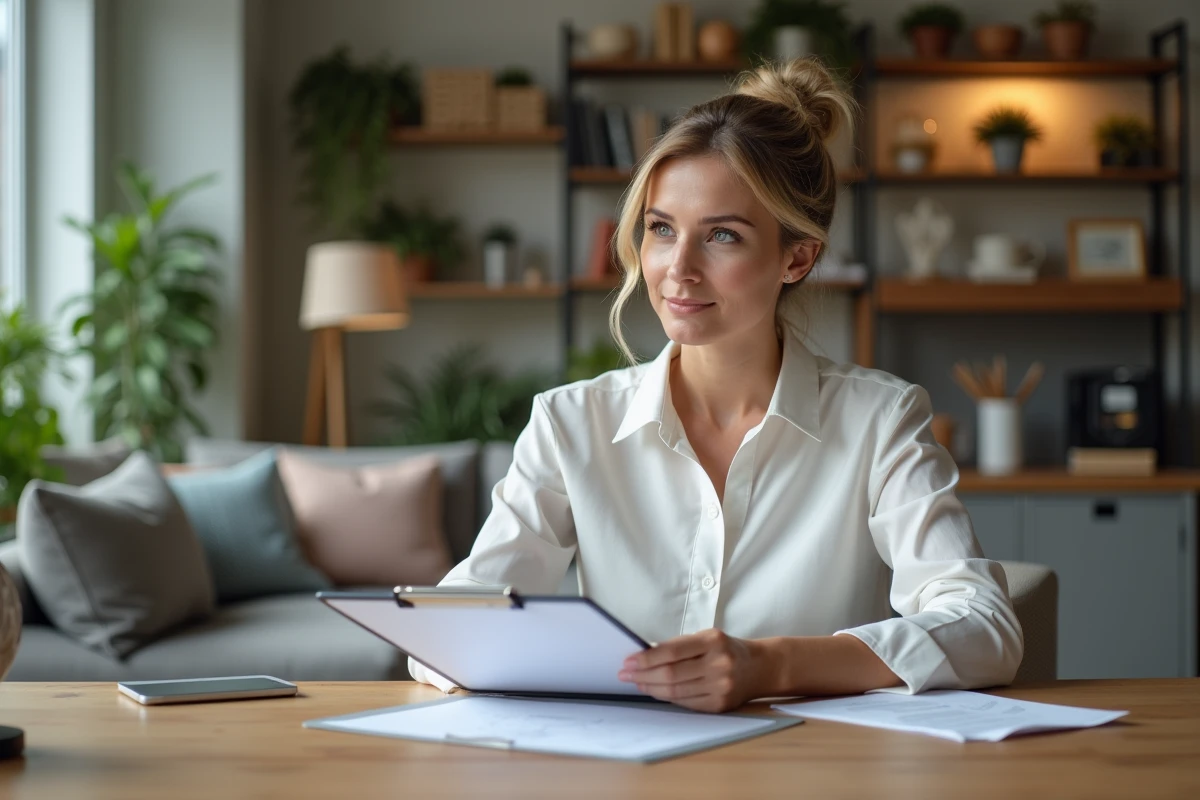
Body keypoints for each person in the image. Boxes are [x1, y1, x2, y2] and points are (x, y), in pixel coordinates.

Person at [410, 57, 1022, 712]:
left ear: (797, 257)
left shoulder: (880, 419)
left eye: (722, 236)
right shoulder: (570, 424)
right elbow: (445, 631)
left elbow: (985, 627)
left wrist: (772, 664)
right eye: (661, 229)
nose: (679, 270)